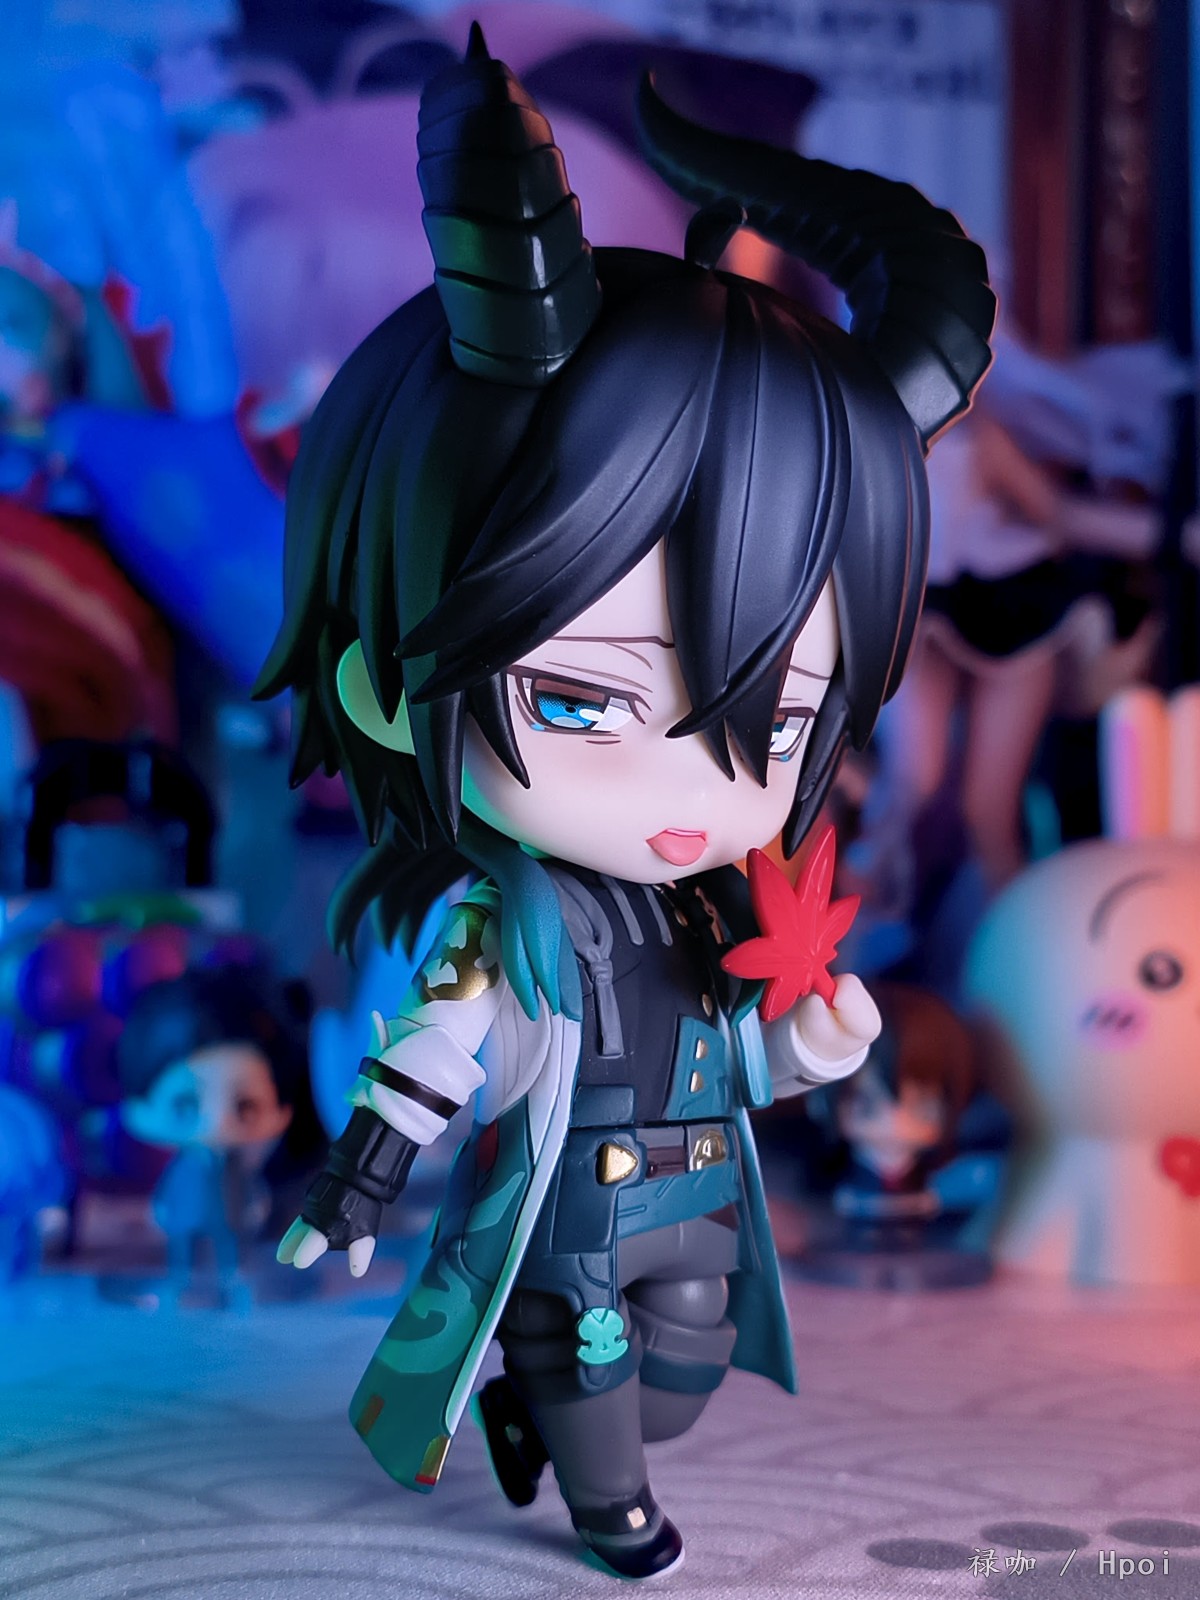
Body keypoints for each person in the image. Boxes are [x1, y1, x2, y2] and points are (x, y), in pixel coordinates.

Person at [258, 26, 994, 1580]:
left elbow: (735, 1052)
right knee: (598, 1378)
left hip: (701, 1192)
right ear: (390, 681)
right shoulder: (507, 919)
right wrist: (360, 1179)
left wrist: (810, 1045)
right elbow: (434, 1054)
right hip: (568, 1209)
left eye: (774, 718)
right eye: (584, 699)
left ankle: (553, 1421)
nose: (690, 781)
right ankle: (610, 1510)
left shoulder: (712, 903)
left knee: (686, 1375)